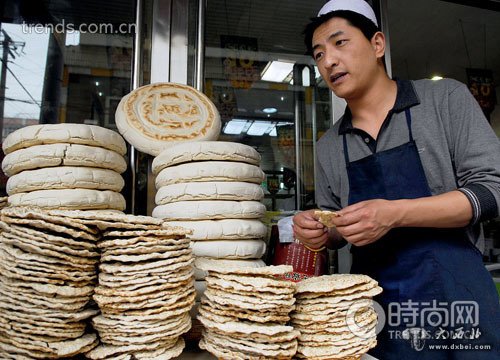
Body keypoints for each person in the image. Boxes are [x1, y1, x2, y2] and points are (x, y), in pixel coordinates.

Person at [292, 0, 500, 358]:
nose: (328, 61)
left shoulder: (443, 99)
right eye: (319, 53)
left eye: (340, 43)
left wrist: (393, 213)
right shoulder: (329, 146)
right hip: (376, 307)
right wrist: (323, 231)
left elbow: (492, 191)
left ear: (377, 44)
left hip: (457, 294)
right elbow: (337, 226)